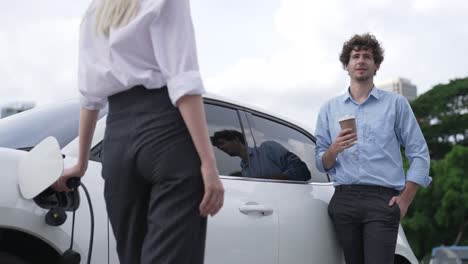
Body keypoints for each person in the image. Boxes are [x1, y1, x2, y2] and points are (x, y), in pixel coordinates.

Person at [52, 0, 224, 263]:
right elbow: (183, 80)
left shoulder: (95, 11)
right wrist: (209, 163)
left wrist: (82, 163)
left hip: (117, 141)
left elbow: (89, 97)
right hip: (167, 133)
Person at [314, 33, 431, 264]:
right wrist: (334, 149)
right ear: (346, 65)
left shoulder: (396, 104)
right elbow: (321, 161)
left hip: (382, 201)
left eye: (367, 56)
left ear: (376, 65)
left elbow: (419, 154)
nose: (360, 60)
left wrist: (405, 199)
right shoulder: (329, 108)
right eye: (355, 56)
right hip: (343, 200)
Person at [211, 129, 311, 181]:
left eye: (222, 143)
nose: (220, 148)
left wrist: (276, 179)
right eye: (218, 147)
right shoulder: (245, 170)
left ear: (236, 139)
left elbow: (302, 170)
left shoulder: (268, 148)